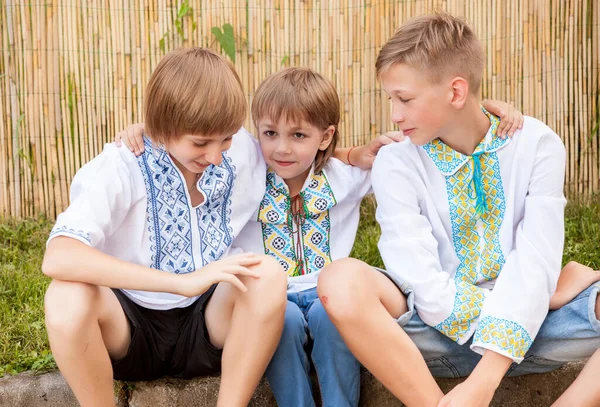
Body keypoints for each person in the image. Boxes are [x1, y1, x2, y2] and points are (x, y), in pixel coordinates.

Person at [117, 64, 522, 406]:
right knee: (285, 320)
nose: (281, 149)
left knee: (333, 317)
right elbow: (191, 129)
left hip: (328, 292)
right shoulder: (242, 171)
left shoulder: (347, 175)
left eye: (298, 136)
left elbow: (423, 138)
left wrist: (487, 109)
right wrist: (146, 129)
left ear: (325, 137)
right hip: (268, 298)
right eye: (269, 133)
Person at [317, 12, 600, 407]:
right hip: (432, 336)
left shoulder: (539, 145)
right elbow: (418, 277)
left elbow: (536, 258)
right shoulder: (395, 162)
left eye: (405, 99)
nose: (395, 115)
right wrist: (541, 295)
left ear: (455, 92)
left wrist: (484, 380)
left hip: (542, 331)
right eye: (391, 100)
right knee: (339, 281)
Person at [42, 47, 287, 407]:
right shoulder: (123, 165)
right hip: (128, 329)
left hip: (208, 322)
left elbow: (298, 153)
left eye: (227, 138)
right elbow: (58, 257)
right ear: (162, 128)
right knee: (65, 297)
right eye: (200, 142)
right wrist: (180, 282)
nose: (216, 156)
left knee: (266, 275)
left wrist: (353, 156)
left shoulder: (241, 154)